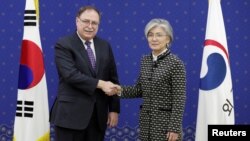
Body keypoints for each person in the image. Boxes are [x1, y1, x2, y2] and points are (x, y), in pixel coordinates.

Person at [50, 6, 120, 141]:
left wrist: (114, 109)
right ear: (77, 21)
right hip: (70, 117)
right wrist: (100, 84)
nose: (90, 26)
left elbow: (113, 78)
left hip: (97, 117)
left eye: (94, 23)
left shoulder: (104, 45)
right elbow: (70, 75)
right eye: (86, 21)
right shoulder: (64, 44)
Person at [118, 19, 186, 141]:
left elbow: (179, 99)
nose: (154, 39)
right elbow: (139, 90)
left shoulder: (176, 63)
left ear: (168, 39)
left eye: (159, 35)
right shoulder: (145, 60)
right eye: (150, 35)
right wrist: (118, 90)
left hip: (166, 128)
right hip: (146, 125)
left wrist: (174, 128)